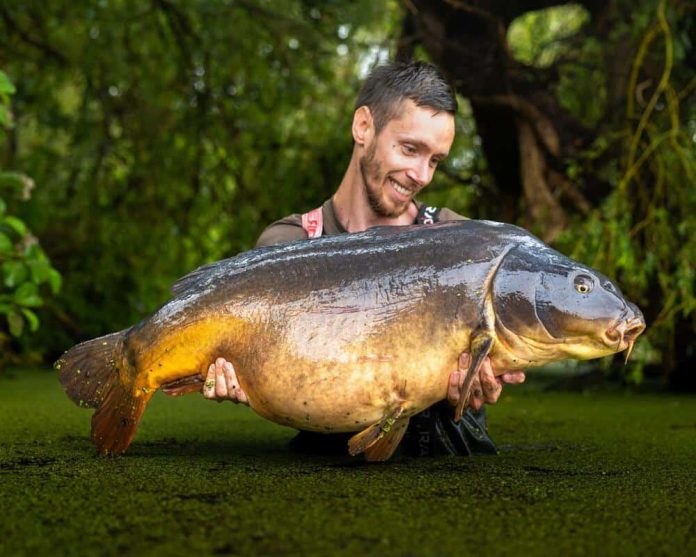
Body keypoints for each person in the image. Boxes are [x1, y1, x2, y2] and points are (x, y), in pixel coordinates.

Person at [202, 61, 525, 456]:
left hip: (444, 466)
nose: (422, 174)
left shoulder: (456, 242)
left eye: (435, 160)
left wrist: (482, 380)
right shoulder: (289, 243)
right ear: (363, 127)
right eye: (410, 149)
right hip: (320, 473)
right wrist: (239, 375)